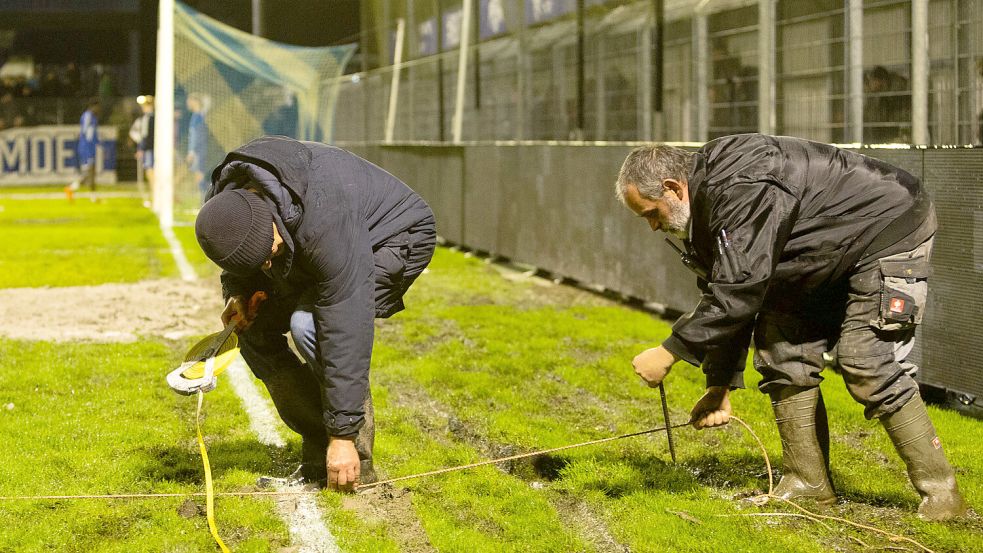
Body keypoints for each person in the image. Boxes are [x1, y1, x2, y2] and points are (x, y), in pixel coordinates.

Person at [615, 134, 968, 521]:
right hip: (820, 252)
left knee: (866, 360)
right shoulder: (704, 205)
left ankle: (943, 496)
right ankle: (808, 485)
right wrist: (718, 386)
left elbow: (738, 289)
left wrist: (669, 352)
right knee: (782, 352)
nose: (652, 226)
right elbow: (727, 291)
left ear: (671, 187)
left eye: (651, 213)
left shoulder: (740, 187)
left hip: (888, 229)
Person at [194, 135, 437, 491]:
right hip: (312, 233)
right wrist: (238, 295)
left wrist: (343, 434)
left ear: (272, 221)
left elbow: (345, 323)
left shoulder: (325, 219)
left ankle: (355, 456)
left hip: (394, 235)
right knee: (253, 329)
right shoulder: (230, 205)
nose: (266, 263)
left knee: (309, 324)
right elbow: (243, 259)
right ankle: (317, 447)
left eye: (268, 255)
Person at [66, 98, 100, 202]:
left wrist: (97, 143)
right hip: (86, 148)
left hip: (90, 148)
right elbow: (85, 132)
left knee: (91, 173)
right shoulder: (88, 116)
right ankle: (71, 188)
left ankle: (93, 197)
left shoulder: (92, 117)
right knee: (88, 173)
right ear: (93, 106)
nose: (99, 109)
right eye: (98, 107)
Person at [186, 93, 210, 203]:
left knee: (200, 176)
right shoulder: (197, 115)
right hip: (199, 150)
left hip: (199, 151)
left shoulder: (199, 116)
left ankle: (205, 202)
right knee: (199, 176)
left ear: (195, 101)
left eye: (190, 100)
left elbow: (197, 136)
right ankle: (204, 201)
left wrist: (192, 152)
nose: (188, 102)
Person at [136, 95, 155, 207]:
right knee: (149, 172)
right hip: (148, 149)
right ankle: (153, 196)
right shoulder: (147, 117)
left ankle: (154, 196)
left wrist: (142, 149)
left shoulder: (150, 118)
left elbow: (147, 136)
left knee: (151, 172)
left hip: (149, 149)